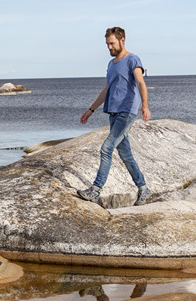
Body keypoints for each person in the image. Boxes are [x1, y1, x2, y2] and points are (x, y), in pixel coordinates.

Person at [77, 26, 152, 206]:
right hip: (112, 112)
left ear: (122, 40)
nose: (109, 48)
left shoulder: (133, 60)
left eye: (112, 44)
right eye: (107, 44)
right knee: (125, 154)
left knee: (106, 148)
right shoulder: (111, 64)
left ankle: (95, 190)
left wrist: (145, 106)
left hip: (126, 112)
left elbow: (141, 83)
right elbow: (107, 89)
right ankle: (144, 189)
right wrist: (91, 109)